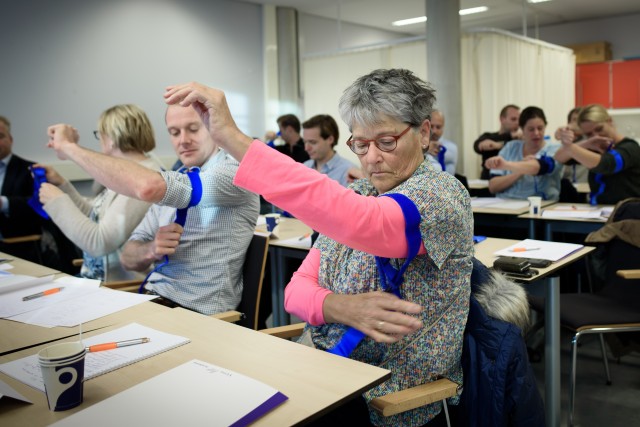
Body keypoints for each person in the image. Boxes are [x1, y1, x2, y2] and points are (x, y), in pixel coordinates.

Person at [125, 70, 470, 426]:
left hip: (382, 396)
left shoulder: (440, 196)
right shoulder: (361, 193)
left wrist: (231, 138)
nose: (371, 159)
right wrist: (341, 308)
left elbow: (363, 223)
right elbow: (295, 293)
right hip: (322, 368)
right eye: (361, 145)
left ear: (424, 133)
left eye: (385, 142)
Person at [46, 104, 259, 315]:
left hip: (195, 314)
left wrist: (69, 148)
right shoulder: (180, 176)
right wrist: (151, 249)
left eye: (193, 129)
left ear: (215, 130)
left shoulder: (235, 173)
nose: (183, 140)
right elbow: (127, 258)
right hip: (153, 301)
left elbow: (149, 187)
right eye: (174, 133)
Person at [36, 105, 161, 281]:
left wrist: (57, 202)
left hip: (116, 289)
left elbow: (99, 242)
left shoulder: (143, 179)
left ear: (111, 138)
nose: (99, 140)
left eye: (99, 134)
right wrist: (63, 185)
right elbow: (96, 215)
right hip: (98, 282)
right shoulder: (126, 173)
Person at [555, 104, 640, 205]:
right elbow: (559, 158)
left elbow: (606, 164)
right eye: (589, 134)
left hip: (626, 214)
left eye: (599, 129)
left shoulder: (630, 148)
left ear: (609, 121)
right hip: (598, 211)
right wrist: (585, 144)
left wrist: (570, 147)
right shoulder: (594, 148)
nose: (596, 136)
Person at [485, 106, 564, 201]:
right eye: (531, 129)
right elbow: (493, 187)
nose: (536, 133)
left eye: (540, 128)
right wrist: (521, 170)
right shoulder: (510, 147)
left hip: (539, 206)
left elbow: (538, 167)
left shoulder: (554, 149)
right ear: (522, 129)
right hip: (505, 204)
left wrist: (514, 166)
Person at [0, 115, 44, 261]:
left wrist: (4, 203)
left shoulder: (32, 169)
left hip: (19, 248)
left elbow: (41, 207)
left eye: (0, 136)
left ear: (10, 139)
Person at [302, 114, 357, 187]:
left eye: (313, 142)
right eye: (305, 142)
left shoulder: (349, 172)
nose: (306, 148)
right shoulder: (304, 167)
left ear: (330, 139)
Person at [473, 104, 521, 179]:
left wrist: (498, 145)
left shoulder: (520, 139)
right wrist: (509, 136)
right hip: (487, 181)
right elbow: (478, 146)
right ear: (502, 119)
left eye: (519, 120)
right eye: (513, 119)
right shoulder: (488, 136)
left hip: (511, 181)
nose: (517, 123)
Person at [424, 110, 458, 175]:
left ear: (443, 127)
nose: (434, 131)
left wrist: (424, 149)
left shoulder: (451, 147)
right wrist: (426, 148)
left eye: (438, 127)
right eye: (431, 126)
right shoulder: (420, 145)